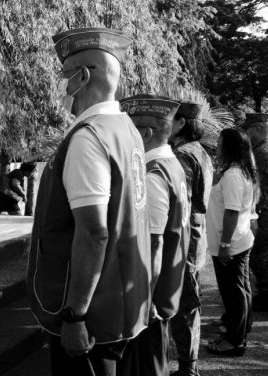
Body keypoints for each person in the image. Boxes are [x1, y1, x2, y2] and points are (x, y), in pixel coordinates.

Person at [27, 27, 151, 376]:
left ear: (81, 77)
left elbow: (94, 232)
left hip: (92, 320)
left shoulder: (89, 137)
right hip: (122, 308)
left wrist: (74, 315)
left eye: (64, 76)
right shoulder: (126, 129)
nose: (61, 87)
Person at [121, 94, 190, 376]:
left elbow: (154, 244)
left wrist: (145, 299)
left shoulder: (153, 174)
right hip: (165, 292)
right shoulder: (171, 165)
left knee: (147, 367)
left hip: (148, 301)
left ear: (145, 133)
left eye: (130, 129)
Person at [168, 101, 213, 376]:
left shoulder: (183, 154)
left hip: (186, 236)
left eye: (172, 120)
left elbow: (178, 202)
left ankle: (188, 367)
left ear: (182, 123)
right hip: (198, 233)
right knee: (190, 300)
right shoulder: (201, 151)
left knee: (184, 303)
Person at [205, 127, 256, 356]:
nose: (217, 146)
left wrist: (225, 245)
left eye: (220, 142)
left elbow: (232, 212)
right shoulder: (238, 171)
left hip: (231, 245)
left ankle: (234, 341)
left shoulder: (233, 175)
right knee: (241, 291)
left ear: (230, 147)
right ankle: (240, 331)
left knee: (233, 294)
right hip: (238, 241)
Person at [243, 112, 268, 311]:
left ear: (260, 128)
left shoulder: (262, 153)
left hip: (265, 213)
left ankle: (267, 294)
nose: (246, 134)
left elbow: (263, 190)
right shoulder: (263, 149)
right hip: (265, 212)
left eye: (248, 129)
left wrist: (255, 214)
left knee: (258, 257)